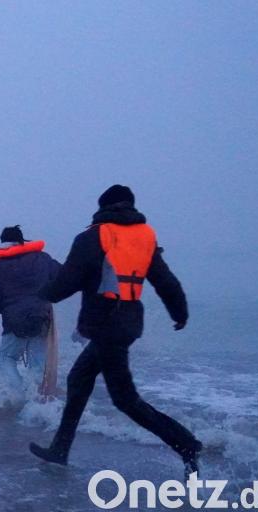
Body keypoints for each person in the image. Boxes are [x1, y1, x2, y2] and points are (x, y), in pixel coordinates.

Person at [28, 185, 202, 475]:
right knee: (78, 379)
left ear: (102, 208)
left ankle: (186, 444)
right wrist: (179, 312)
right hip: (126, 323)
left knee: (125, 400)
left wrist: (42, 294)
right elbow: (165, 281)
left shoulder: (92, 237)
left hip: (106, 326)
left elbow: (67, 282)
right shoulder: (144, 238)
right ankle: (60, 449)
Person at [0, 226, 60, 400]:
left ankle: (19, 396)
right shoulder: (43, 259)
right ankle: (38, 402)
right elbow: (63, 276)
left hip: (14, 322)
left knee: (6, 358)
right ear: (23, 240)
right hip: (41, 317)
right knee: (37, 364)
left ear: (3, 243)